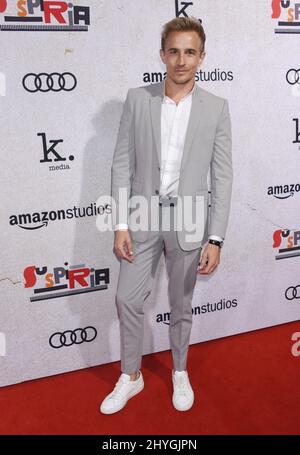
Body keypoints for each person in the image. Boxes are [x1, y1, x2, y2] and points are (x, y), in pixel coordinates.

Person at [100, 16, 233, 414]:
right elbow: (121, 164)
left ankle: (179, 370)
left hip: (191, 220)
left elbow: (222, 174)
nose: (181, 60)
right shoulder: (138, 99)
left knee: (181, 302)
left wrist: (216, 237)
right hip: (141, 216)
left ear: (201, 57)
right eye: (174, 51)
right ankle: (131, 375)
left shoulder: (216, 108)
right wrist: (120, 223)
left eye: (190, 52)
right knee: (127, 298)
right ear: (162, 54)